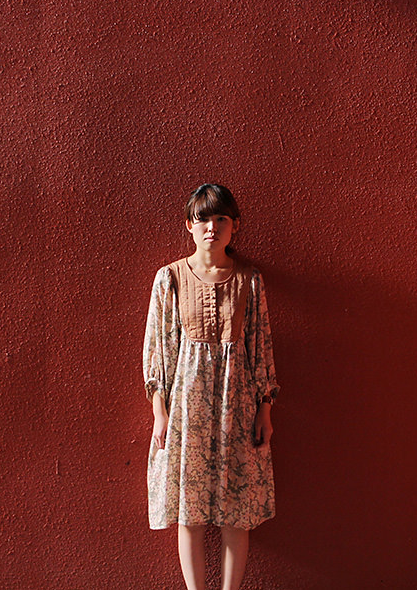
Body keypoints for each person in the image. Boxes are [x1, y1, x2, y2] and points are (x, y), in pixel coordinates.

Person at [143, 183, 279, 590]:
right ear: (189, 224)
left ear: (234, 226)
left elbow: (261, 346)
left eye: (221, 219)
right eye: (203, 218)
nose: (212, 227)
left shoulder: (250, 281)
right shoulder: (169, 278)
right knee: (192, 509)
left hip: (236, 405)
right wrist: (160, 412)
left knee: (237, 507)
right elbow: (160, 348)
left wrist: (265, 409)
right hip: (188, 406)